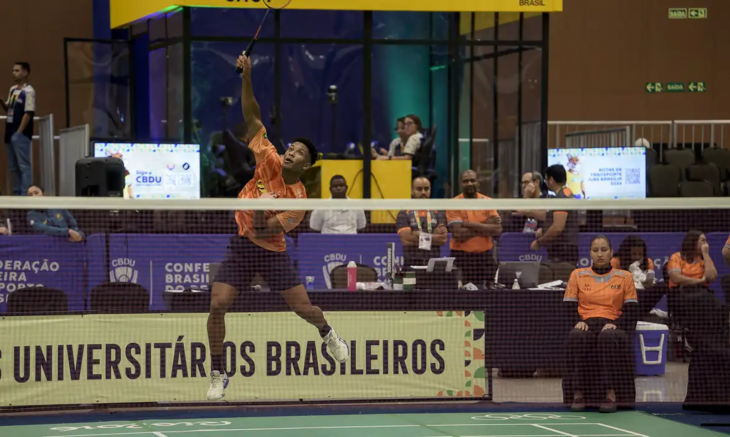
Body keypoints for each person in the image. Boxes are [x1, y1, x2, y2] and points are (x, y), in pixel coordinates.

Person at [206, 53, 349, 401]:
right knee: (217, 304)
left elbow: (267, 230)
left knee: (303, 309)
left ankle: (329, 334)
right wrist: (246, 77)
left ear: (307, 165)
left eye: (299, 152)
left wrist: (259, 206)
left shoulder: (298, 200)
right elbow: (252, 115)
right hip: (241, 246)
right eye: (292, 148)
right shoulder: (268, 157)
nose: (291, 152)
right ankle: (218, 372)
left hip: (272, 252)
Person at [564, 235, 638, 414]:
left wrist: (617, 324)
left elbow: (632, 311)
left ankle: (610, 395)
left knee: (607, 337)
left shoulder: (624, 276)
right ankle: (579, 394)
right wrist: (578, 322)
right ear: (590, 253)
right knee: (576, 336)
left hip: (612, 325)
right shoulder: (577, 275)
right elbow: (567, 308)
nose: (599, 254)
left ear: (611, 252)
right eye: (595, 250)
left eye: (604, 250)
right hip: (586, 324)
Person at [446, 169, 502, 287]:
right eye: (466, 181)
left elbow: (497, 229)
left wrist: (467, 224)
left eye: (473, 180)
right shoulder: (453, 203)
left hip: (485, 258)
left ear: (478, 183)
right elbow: (458, 234)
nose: (470, 184)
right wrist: (485, 226)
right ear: (461, 184)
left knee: (487, 296)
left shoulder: (488, 202)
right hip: (462, 258)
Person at [531, 164, 578, 265]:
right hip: (566, 251)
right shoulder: (567, 193)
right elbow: (550, 216)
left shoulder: (561, 198)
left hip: (562, 253)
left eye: (546, 180)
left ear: (551, 180)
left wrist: (540, 242)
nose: (546, 183)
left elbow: (557, 227)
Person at [397, 176, 448, 268]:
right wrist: (433, 237)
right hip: (411, 263)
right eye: (419, 189)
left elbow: (442, 239)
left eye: (426, 189)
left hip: (434, 264)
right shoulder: (404, 212)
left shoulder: (439, 212)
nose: (423, 192)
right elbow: (406, 240)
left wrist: (416, 234)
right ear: (412, 191)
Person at [1, 62, 35, 195]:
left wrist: (19, 132)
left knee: (23, 166)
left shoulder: (29, 92)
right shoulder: (13, 89)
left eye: (17, 70)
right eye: (13, 70)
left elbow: (28, 113)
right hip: (9, 132)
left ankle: (25, 193)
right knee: (13, 167)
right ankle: (16, 193)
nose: (14, 73)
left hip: (20, 134)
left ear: (25, 72)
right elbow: (9, 108)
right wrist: (2, 102)